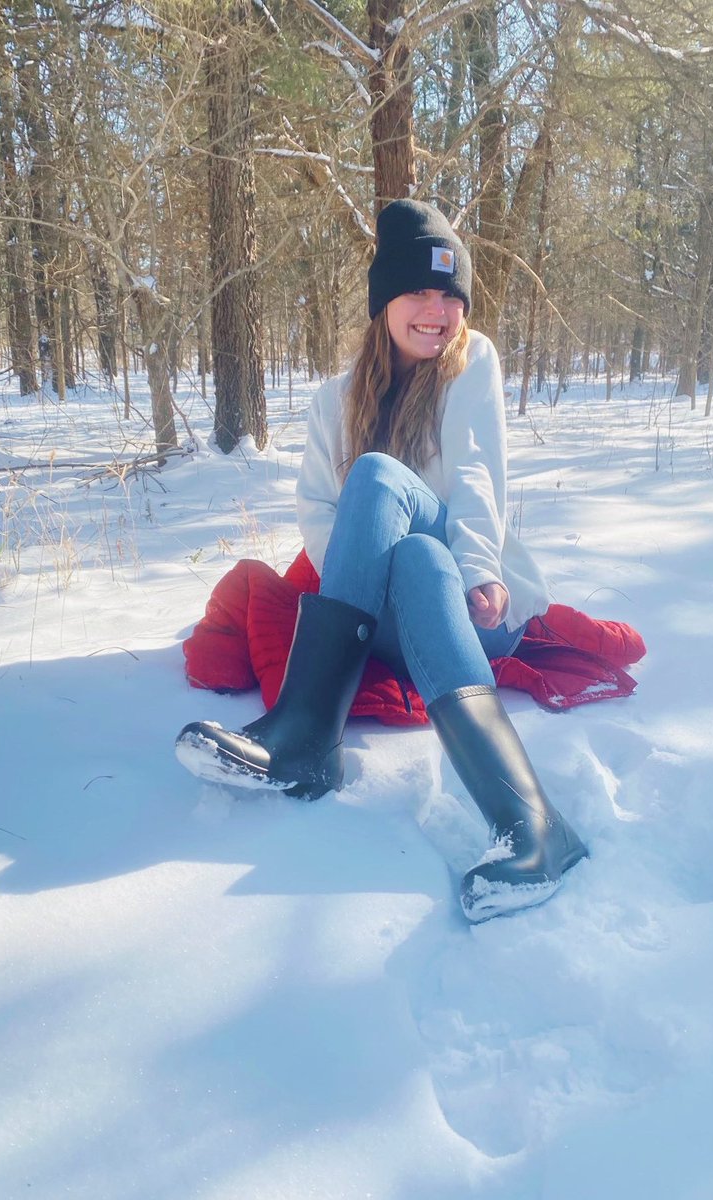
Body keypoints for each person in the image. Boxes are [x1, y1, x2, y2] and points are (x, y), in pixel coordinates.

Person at [177, 199, 586, 922]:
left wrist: (483, 570)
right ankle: (534, 828)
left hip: (475, 610)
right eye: (417, 293)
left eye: (449, 296)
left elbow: (478, 476)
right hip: (399, 608)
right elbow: (315, 514)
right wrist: (374, 572)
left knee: (381, 485)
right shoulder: (333, 399)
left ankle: (305, 734)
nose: (435, 311)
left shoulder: (473, 361)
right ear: (383, 301)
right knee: (416, 555)